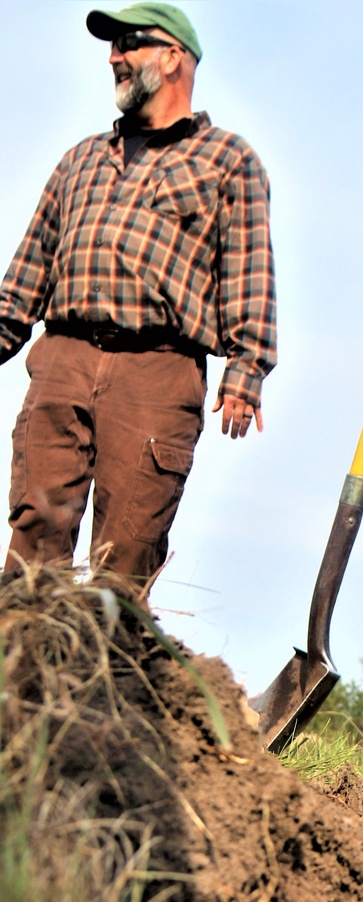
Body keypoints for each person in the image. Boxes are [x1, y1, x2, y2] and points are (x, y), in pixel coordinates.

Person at [0, 3, 276, 589]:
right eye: (111, 46)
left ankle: (111, 672)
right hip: (63, 360)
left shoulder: (228, 160)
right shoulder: (80, 160)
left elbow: (249, 269)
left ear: (173, 56)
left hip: (157, 373)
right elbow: (27, 271)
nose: (113, 57)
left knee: (125, 557)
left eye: (129, 44)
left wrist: (246, 370)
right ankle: (17, 676)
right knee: (31, 549)